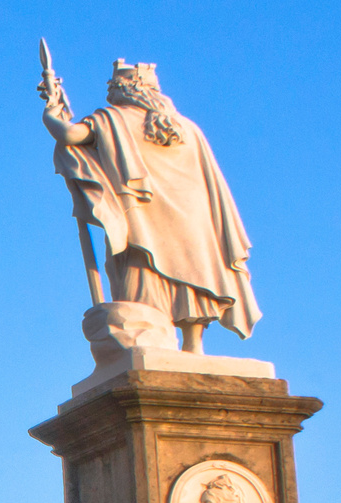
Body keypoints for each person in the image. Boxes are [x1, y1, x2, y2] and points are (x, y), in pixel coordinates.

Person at [41, 59, 260, 352]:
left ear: (121, 90)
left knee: (142, 270)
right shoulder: (188, 128)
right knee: (191, 276)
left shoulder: (112, 118)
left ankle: (150, 345)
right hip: (193, 219)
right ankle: (193, 345)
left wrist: (51, 115)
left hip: (144, 219)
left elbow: (69, 135)